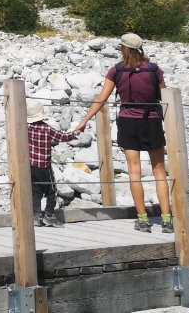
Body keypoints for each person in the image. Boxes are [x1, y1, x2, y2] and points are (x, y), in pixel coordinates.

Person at [74, 32, 172, 233]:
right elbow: (165, 96)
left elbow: (101, 98)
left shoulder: (116, 71)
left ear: (123, 48)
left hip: (128, 122)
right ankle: (167, 220)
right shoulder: (154, 70)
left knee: (134, 172)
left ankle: (143, 220)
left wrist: (84, 121)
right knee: (159, 172)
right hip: (152, 121)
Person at [27, 99, 75, 227]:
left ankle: (36, 216)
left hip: (32, 166)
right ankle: (49, 214)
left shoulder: (27, 128)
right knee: (51, 191)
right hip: (44, 166)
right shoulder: (46, 129)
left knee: (35, 190)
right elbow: (63, 137)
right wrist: (75, 133)